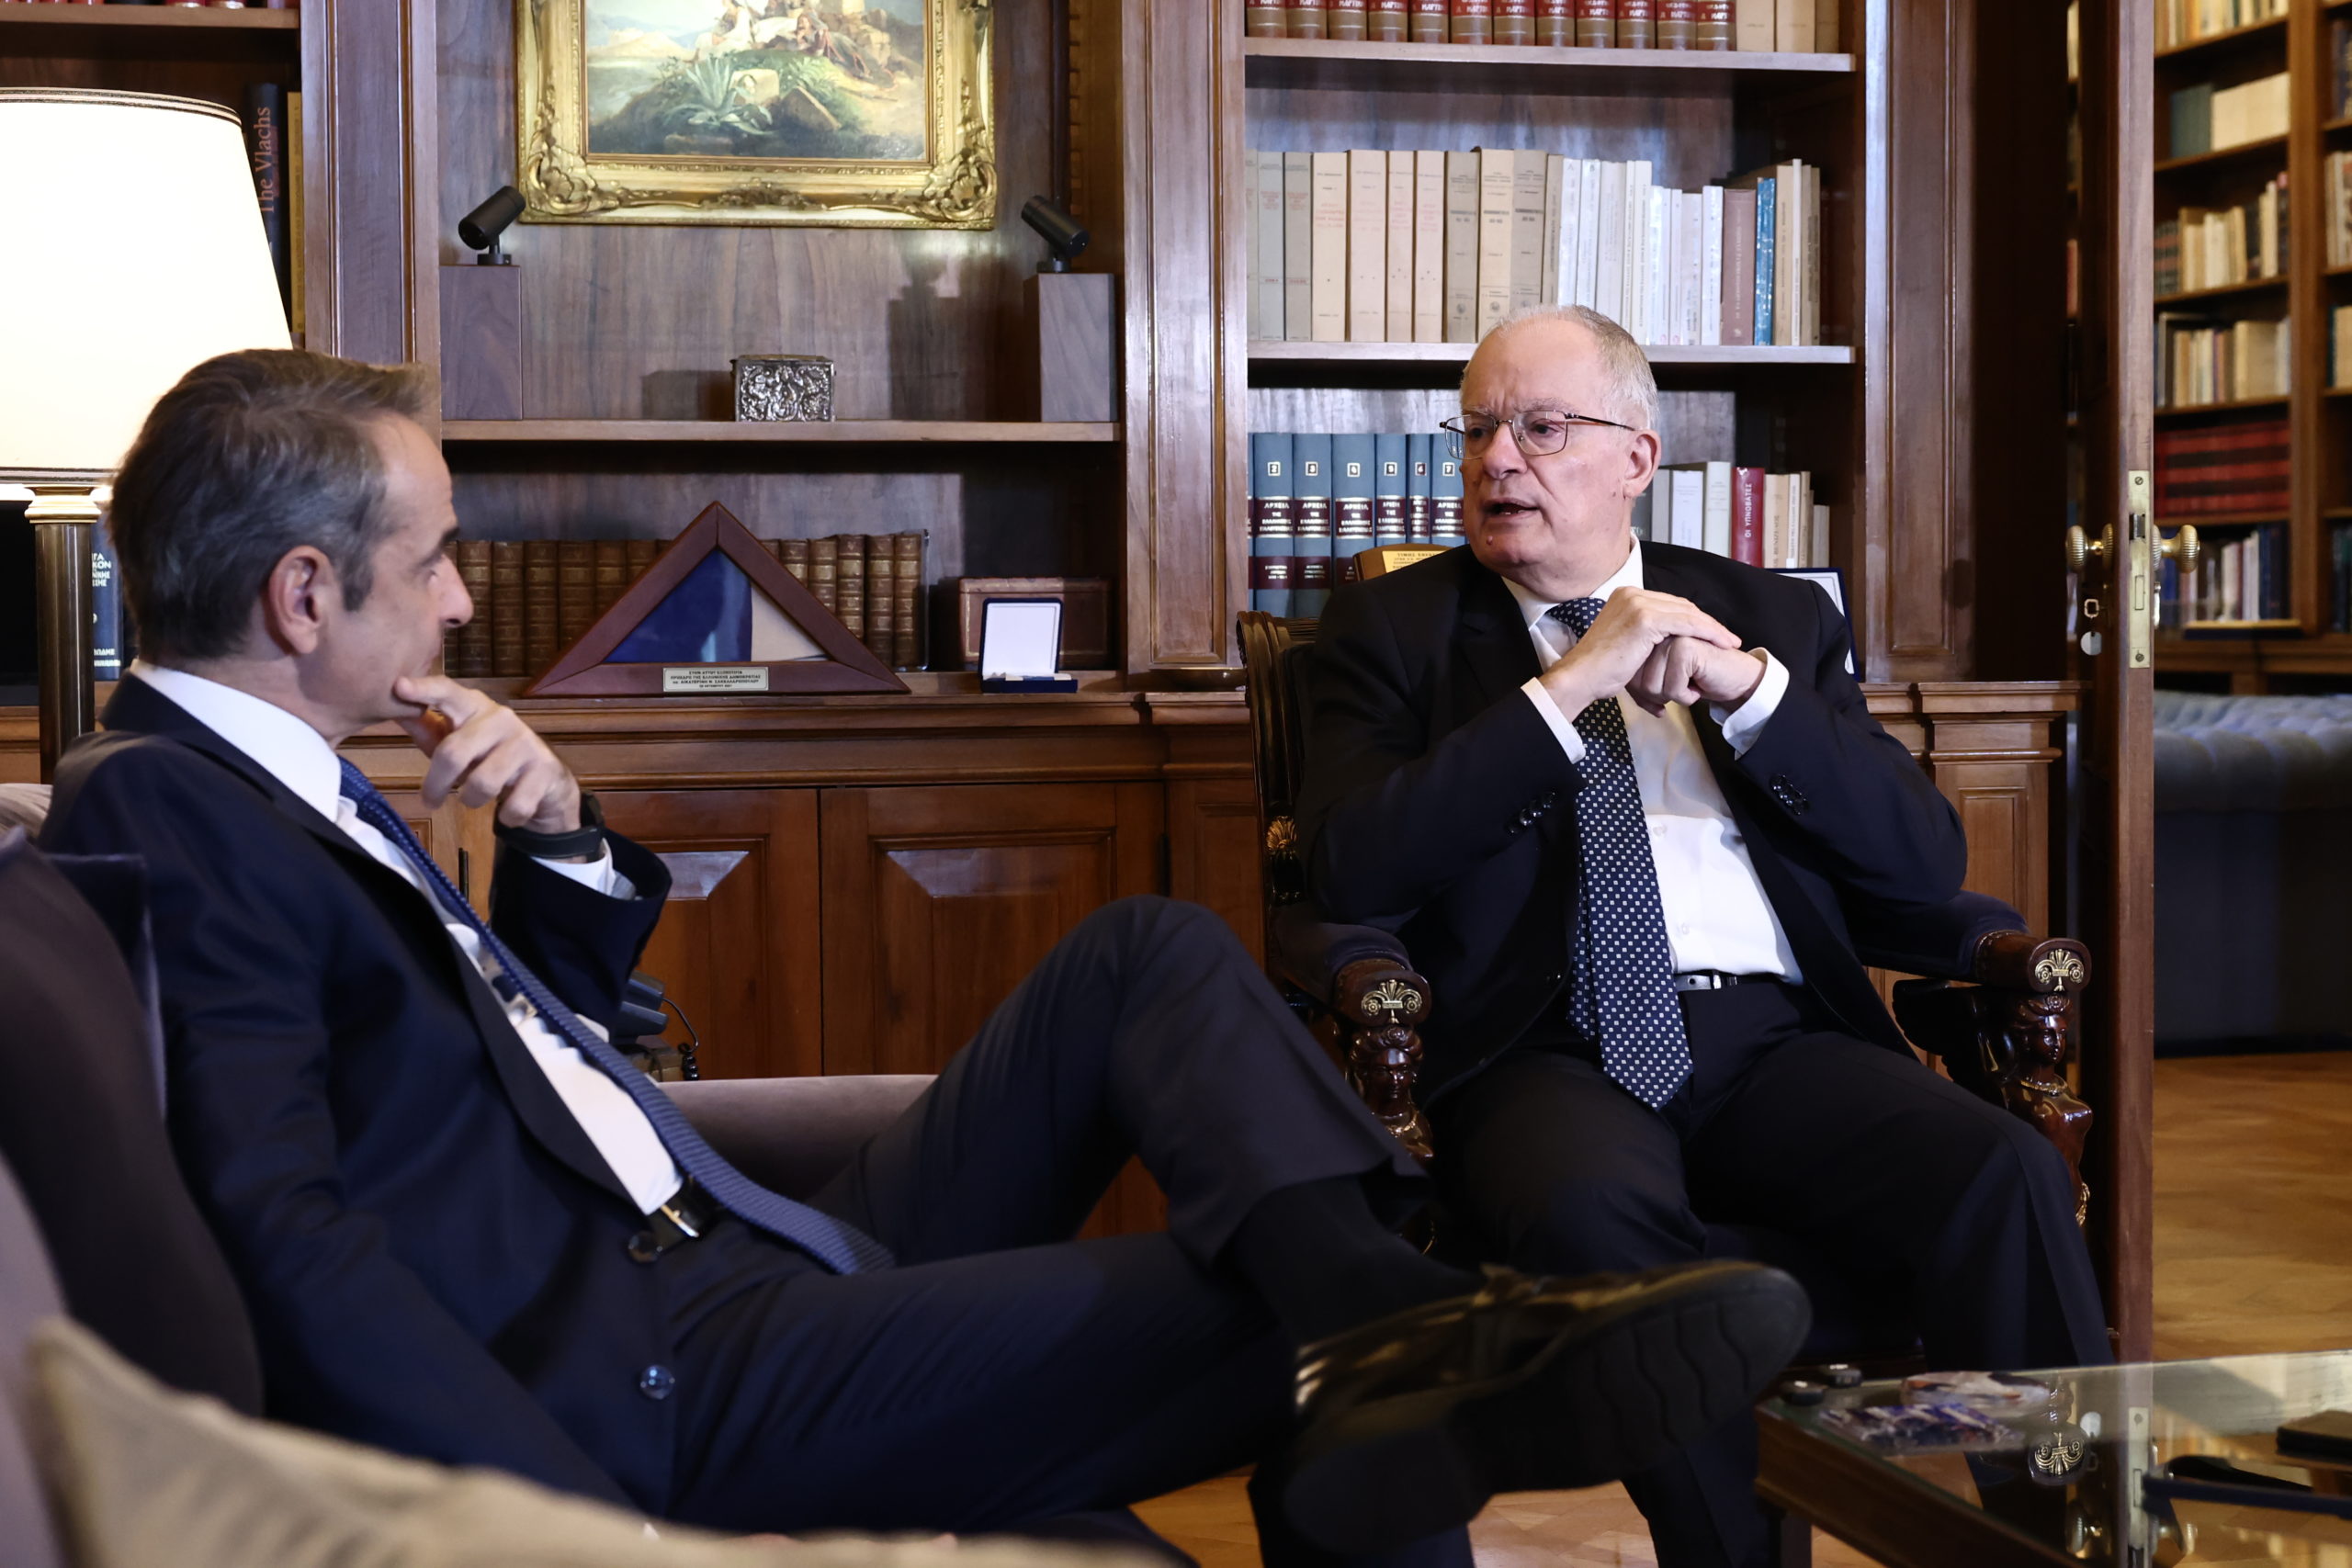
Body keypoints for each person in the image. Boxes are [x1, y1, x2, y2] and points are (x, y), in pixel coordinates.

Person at [41, 348, 1811, 1565]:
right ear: (302, 595)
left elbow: (504, 1069)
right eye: (434, 563)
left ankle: (1395, 1320)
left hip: (740, 1244)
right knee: (1289, 1322)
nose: (458, 602)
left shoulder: (286, 781)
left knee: (1144, 952)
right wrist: (560, 1517)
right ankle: (1409, 1334)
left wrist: (564, 837)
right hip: (669, 1363)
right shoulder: (173, 812)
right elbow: (284, 1225)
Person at [1294, 307, 2110, 1568]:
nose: (1498, 459)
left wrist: (1753, 690)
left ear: (1637, 456)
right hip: (1540, 1049)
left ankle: (2070, 1543)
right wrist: (1567, 686)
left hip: (1772, 1040)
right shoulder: (1389, 633)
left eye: (1541, 427)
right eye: (1479, 430)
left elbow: (1921, 863)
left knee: (2001, 1169)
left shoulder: (1766, 613)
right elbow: (1354, 863)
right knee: (1592, 1215)